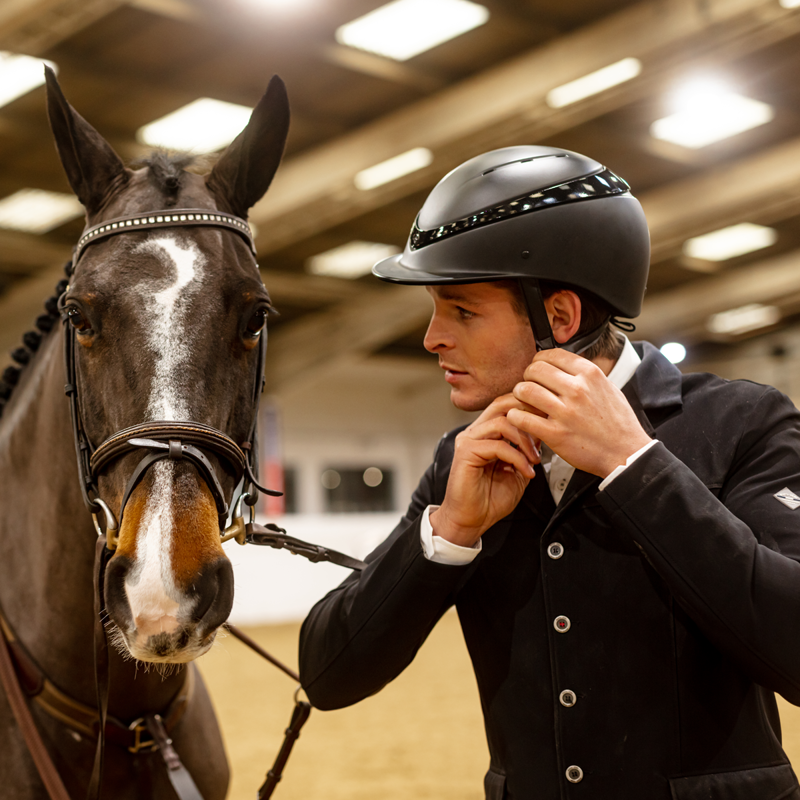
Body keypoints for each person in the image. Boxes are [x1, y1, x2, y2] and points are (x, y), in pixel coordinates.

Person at [298, 145, 800, 799]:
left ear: (559, 318)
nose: (432, 338)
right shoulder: (462, 459)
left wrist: (636, 466)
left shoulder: (746, 423)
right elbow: (329, 675)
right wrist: (448, 532)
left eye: (462, 311)